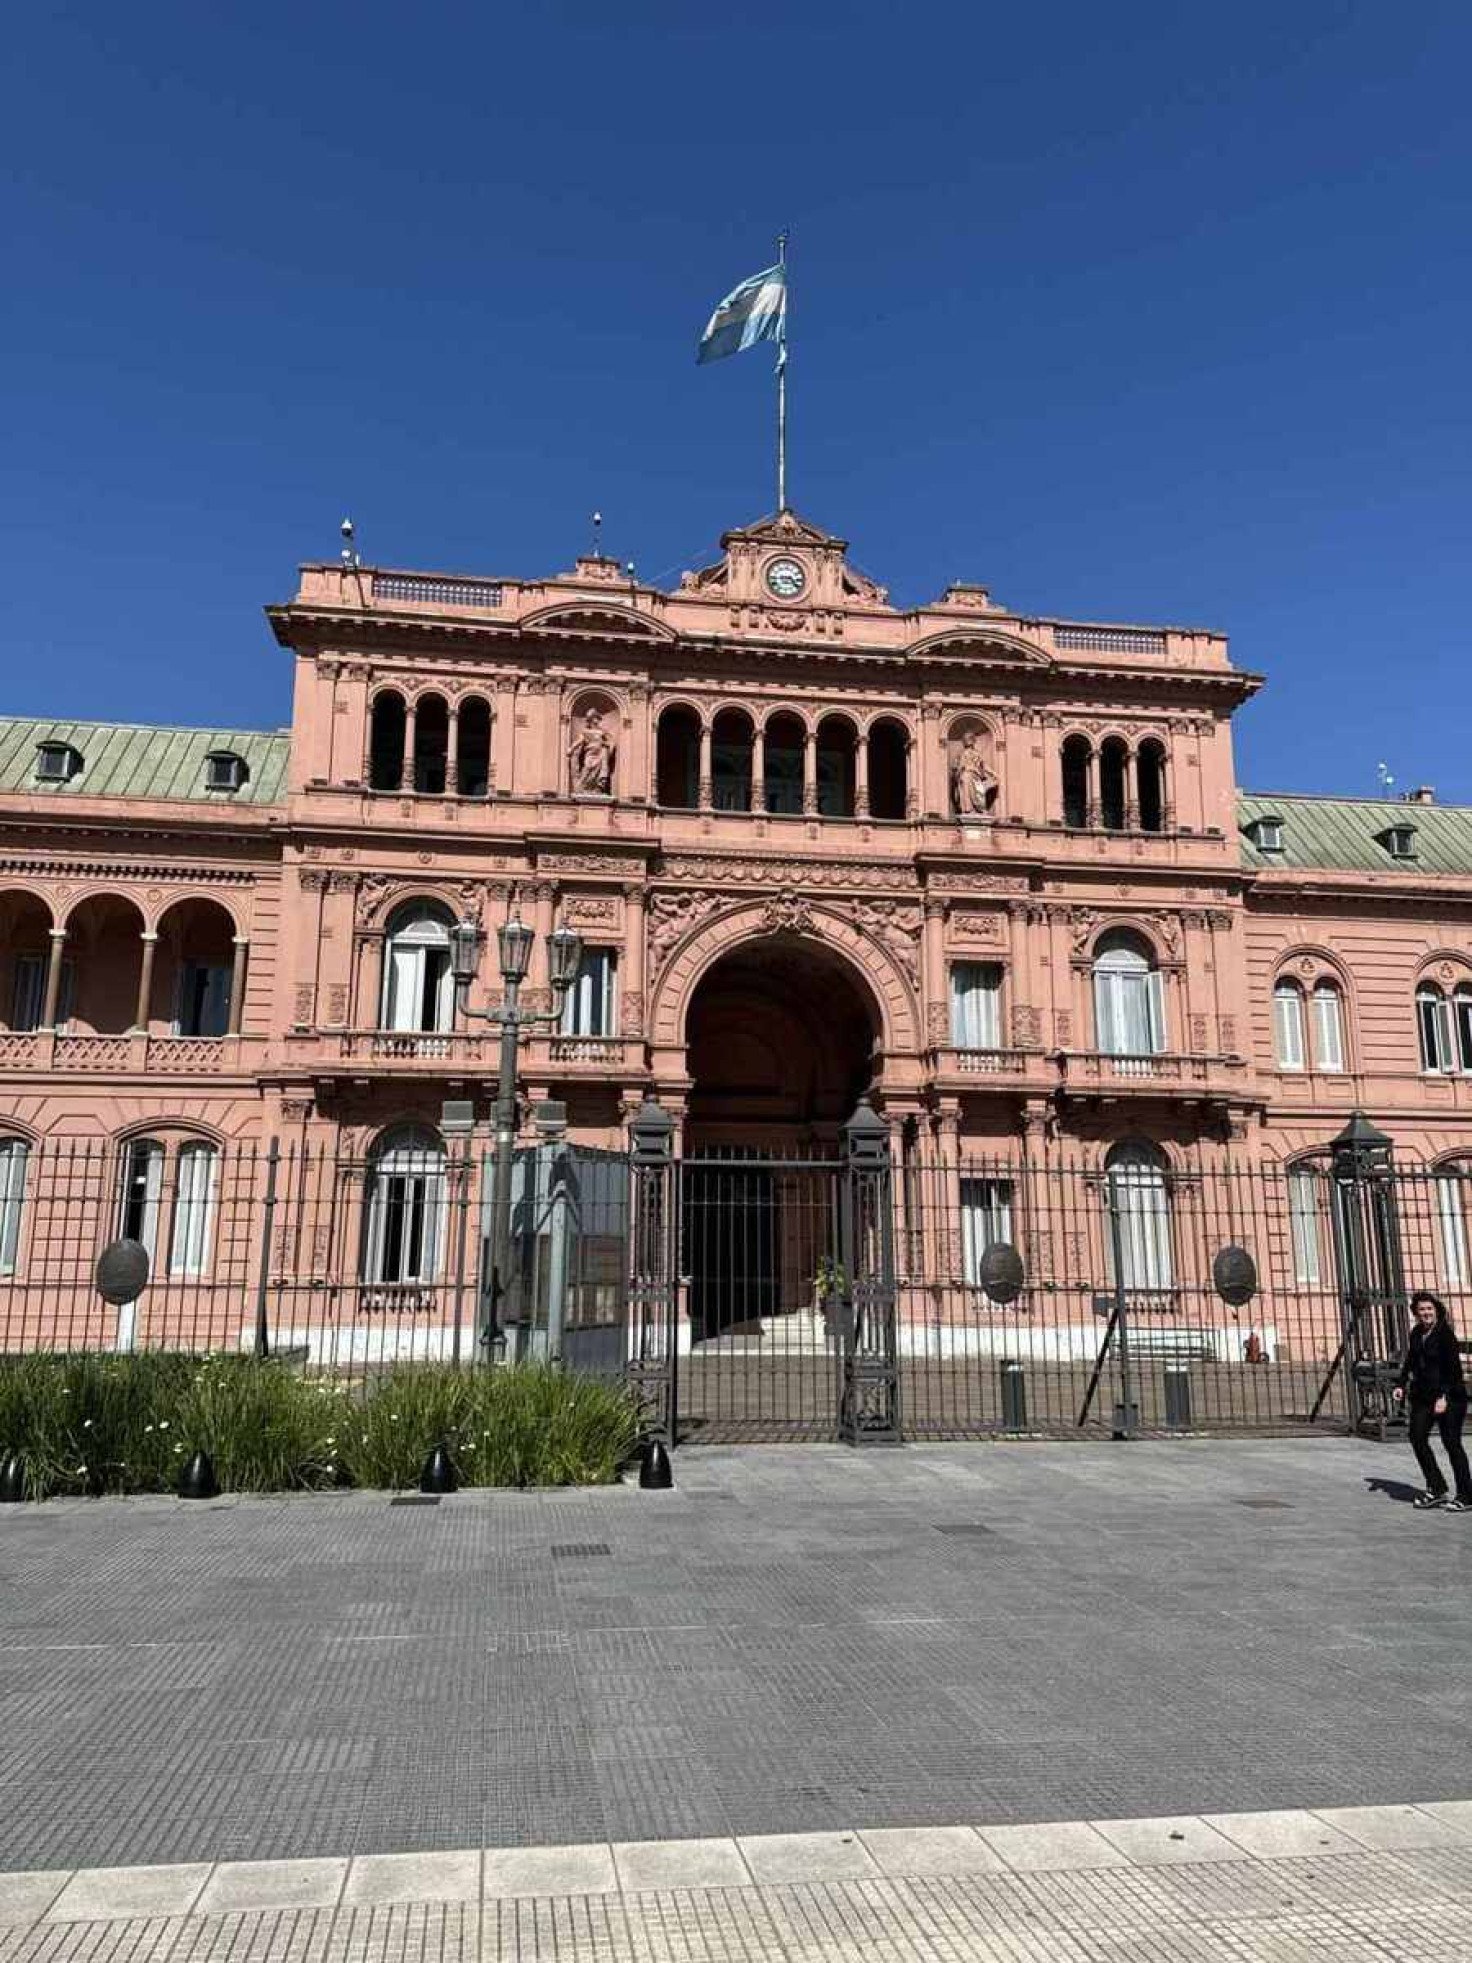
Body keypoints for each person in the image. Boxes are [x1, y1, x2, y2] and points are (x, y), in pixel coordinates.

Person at [1392, 1291, 1472, 1511]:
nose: (1426, 1313)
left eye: (1429, 1309)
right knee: (1416, 1437)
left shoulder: (1446, 1335)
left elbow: (1454, 1370)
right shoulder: (1417, 1333)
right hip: (1424, 1396)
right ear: (1416, 1313)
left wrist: (1444, 1396)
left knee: (1452, 1444)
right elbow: (1410, 1360)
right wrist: (1400, 1384)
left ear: (1436, 1310)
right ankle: (1436, 1487)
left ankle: (1466, 1494)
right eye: (1421, 1310)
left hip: (1450, 1397)